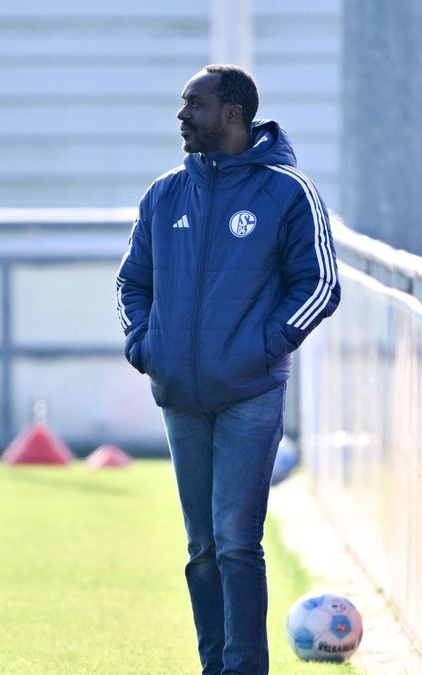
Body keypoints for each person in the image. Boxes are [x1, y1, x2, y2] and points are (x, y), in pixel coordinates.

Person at [115, 64, 340, 674]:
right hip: (181, 396)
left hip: (250, 393)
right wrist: (145, 344)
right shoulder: (164, 193)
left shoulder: (288, 190)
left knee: (238, 542)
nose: (182, 116)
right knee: (202, 547)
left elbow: (320, 283)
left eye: (195, 105)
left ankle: (244, 668)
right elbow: (131, 282)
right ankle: (213, 664)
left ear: (232, 115)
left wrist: (265, 346)